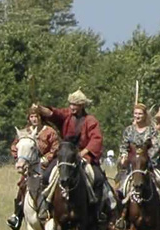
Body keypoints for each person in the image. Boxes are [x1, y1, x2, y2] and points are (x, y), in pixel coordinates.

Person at [38, 90, 113, 222]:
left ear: (82, 105)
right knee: (46, 176)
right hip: (66, 155)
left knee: (99, 178)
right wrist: (39, 108)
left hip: (84, 155)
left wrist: (83, 153)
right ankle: (46, 207)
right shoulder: (67, 115)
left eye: (75, 104)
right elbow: (53, 114)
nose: (72, 107)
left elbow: (96, 139)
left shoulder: (91, 120)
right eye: (71, 104)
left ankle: (97, 211)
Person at [7, 104, 61, 230]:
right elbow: (15, 147)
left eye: (36, 116)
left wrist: (46, 159)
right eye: (31, 117)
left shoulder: (50, 132)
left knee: (51, 181)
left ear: (40, 117)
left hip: (47, 165)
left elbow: (55, 147)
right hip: (29, 166)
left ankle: (52, 210)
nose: (34, 119)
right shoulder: (24, 132)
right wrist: (20, 159)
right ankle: (17, 215)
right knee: (22, 184)